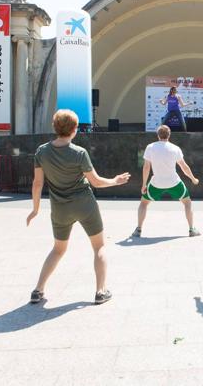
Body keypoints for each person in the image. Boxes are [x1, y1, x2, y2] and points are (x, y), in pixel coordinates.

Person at [26, 109, 130, 305]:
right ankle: (100, 291)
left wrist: (35, 209)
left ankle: (38, 290)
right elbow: (96, 182)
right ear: (74, 130)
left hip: (60, 208)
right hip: (84, 204)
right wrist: (116, 181)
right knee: (98, 246)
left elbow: (37, 183)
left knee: (58, 249)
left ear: (55, 127)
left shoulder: (41, 151)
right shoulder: (79, 153)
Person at [132, 125, 202, 238]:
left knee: (143, 203)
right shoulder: (175, 148)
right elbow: (184, 167)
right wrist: (193, 179)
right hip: (174, 182)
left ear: (158, 135)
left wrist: (144, 185)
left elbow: (146, 168)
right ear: (169, 135)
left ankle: (138, 230)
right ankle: (191, 230)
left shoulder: (150, 147)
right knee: (187, 203)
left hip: (156, 183)